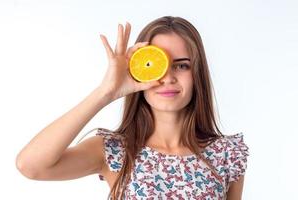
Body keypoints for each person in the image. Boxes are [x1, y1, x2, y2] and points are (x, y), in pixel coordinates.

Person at [16, 16, 249, 199]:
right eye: (157, 65)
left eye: (181, 66)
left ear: (197, 73)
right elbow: (31, 166)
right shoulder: (115, 151)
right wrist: (105, 92)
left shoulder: (226, 154)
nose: (168, 78)